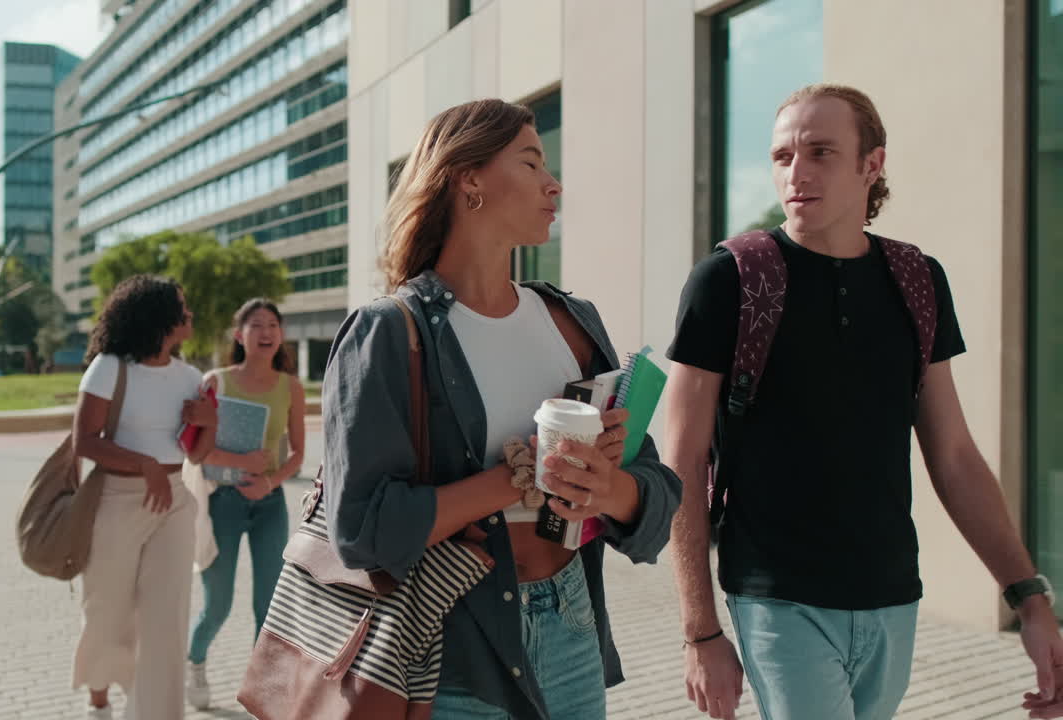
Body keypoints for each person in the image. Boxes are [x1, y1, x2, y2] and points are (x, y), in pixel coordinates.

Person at [664, 83, 1063, 720]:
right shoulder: (730, 280)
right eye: (782, 155)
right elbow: (680, 460)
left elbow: (954, 456)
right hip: (776, 597)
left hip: (893, 600)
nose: (796, 173)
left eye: (821, 151)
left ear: (870, 164)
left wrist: (1030, 598)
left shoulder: (917, 280)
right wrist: (700, 632)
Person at [321, 98, 683, 720]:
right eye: (531, 161)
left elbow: (653, 488)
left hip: (572, 624)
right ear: (469, 179)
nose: (555, 182)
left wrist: (608, 486)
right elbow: (361, 531)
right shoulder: (389, 331)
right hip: (454, 645)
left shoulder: (571, 320)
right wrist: (517, 476)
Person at [70, 274, 217, 720]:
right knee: (108, 614)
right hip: (116, 499)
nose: (188, 313)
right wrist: (145, 465)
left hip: (173, 502)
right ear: (159, 316)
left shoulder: (190, 376)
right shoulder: (110, 368)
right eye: (181, 306)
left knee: (166, 621)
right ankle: (100, 693)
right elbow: (85, 441)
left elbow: (197, 453)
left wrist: (209, 420)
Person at [181, 298, 306, 710]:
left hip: (269, 504)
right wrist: (240, 463)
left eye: (273, 324)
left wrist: (268, 479)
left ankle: (262, 692)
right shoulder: (216, 382)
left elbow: (298, 456)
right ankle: (195, 661)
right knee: (218, 605)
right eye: (256, 325)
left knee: (268, 605)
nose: (266, 332)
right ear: (239, 335)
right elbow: (196, 451)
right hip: (224, 504)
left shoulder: (291, 387)